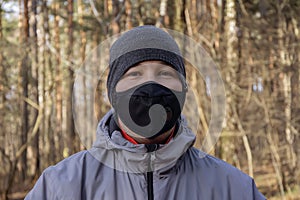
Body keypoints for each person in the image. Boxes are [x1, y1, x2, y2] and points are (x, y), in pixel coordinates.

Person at [25, 26, 265, 200]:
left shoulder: (233, 188)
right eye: (134, 74)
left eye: (165, 74)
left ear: (183, 90)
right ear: (112, 92)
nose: (150, 86)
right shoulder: (61, 186)